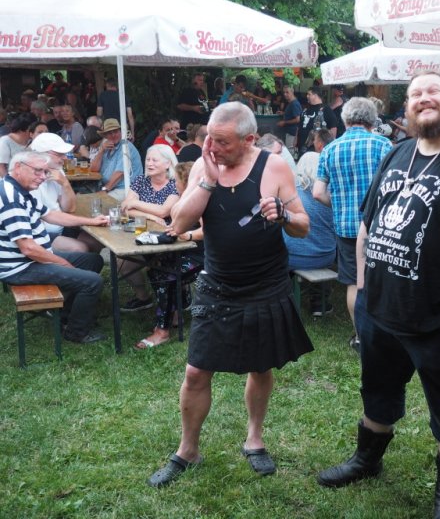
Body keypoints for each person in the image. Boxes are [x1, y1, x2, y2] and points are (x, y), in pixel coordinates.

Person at [316, 72, 440, 518]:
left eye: (432, 91)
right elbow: (367, 224)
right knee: (377, 391)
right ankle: (366, 459)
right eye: (414, 94)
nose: (423, 98)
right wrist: (364, 293)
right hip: (380, 311)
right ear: (406, 106)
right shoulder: (398, 153)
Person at [146, 102, 312, 487]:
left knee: (261, 366)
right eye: (210, 139)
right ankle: (188, 449)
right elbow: (178, 223)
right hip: (218, 284)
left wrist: (284, 215)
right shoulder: (205, 166)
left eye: (222, 142)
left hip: (266, 283)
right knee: (196, 370)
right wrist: (207, 179)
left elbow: (302, 225)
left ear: (249, 139)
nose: (212, 147)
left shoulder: (274, 166)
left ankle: (254, 439)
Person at [0, 151, 109, 344]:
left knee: (93, 261)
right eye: (38, 171)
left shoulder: (20, 189)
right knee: (92, 282)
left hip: (31, 259)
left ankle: (66, 315)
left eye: (45, 172)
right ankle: (76, 332)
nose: (43, 177)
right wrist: (62, 262)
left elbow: (50, 215)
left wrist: (92, 221)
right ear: (18, 167)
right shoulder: (11, 199)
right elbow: (28, 249)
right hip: (20, 268)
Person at [313, 97, 393, 351]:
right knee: (381, 279)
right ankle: (385, 332)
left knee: (354, 282)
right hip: (380, 227)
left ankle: (361, 337)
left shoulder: (330, 149)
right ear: (372, 120)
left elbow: (317, 193)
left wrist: (340, 206)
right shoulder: (384, 145)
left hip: (346, 228)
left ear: (345, 119)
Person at [139, 161, 205, 349]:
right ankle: (175, 312)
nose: (174, 183)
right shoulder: (185, 198)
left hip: (202, 256)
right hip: (185, 251)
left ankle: (162, 331)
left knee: (164, 275)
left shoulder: (200, 200)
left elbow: (206, 230)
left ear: (186, 181)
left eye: (176, 180)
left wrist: (188, 234)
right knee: (155, 268)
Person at [118, 144, 180, 313]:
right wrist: (150, 216)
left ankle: (180, 298)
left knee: (162, 266)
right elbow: (125, 209)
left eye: (154, 160)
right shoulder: (141, 180)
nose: (149, 163)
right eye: (148, 159)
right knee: (122, 262)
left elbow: (164, 211)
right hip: (141, 233)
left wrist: (135, 203)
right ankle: (143, 297)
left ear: (168, 163)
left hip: (168, 237)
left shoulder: (175, 183)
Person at [284, 152, 337, 315]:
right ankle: (319, 304)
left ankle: (286, 298)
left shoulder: (291, 191)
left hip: (292, 257)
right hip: (325, 255)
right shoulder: (332, 193)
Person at [29, 133, 97, 254]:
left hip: (61, 227)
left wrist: (65, 183)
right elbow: (41, 220)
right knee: (80, 248)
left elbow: (70, 208)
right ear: (43, 155)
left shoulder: (57, 170)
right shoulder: (29, 179)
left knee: (94, 240)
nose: (65, 157)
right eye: (60, 154)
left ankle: (80, 264)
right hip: (41, 234)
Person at [90, 118, 143, 201]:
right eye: (109, 133)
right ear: (105, 136)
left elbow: (119, 174)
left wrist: (105, 189)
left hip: (127, 189)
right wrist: (101, 151)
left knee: (98, 202)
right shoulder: (106, 147)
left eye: (115, 131)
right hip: (111, 188)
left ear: (120, 132)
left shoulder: (125, 147)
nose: (113, 135)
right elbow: (94, 169)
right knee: (87, 197)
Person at [298, 86, 337, 154]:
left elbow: (333, 128)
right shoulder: (306, 110)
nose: (307, 96)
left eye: (309, 94)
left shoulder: (326, 110)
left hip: (316, 149)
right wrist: (295, 140)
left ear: (315, 95)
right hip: (302, 147)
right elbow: (299, 126)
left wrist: (330, 146)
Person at [278, 85, 302, 151]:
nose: (285, 94)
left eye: (287, 92)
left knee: (290, 152)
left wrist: (284, 122)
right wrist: (284, 113)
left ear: (292, 92)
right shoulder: (291, 103)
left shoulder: (294, 104)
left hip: (293, 133)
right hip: (290, 132)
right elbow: (293, 114)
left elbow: (297, 119)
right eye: (284, 92)